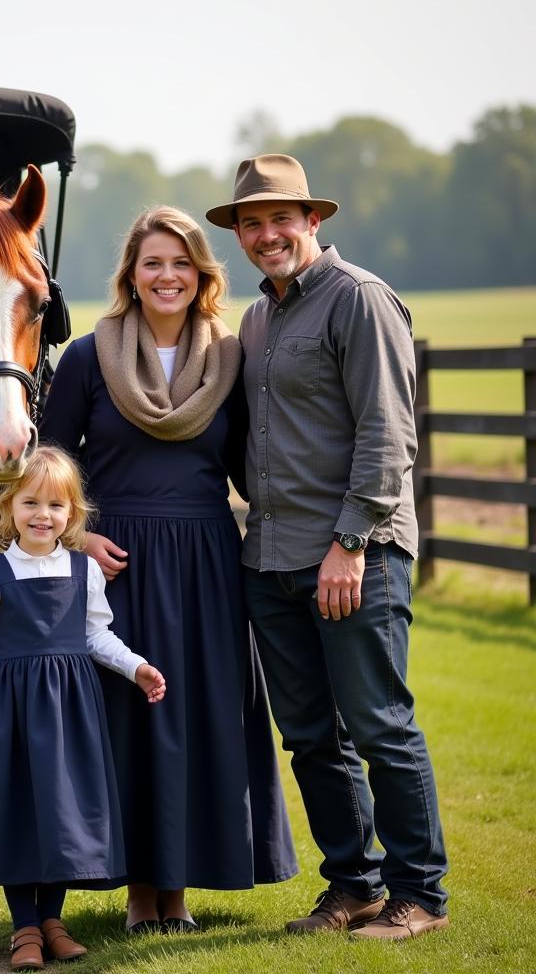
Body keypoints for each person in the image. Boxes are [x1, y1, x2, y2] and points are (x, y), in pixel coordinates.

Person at [206, 153, 450, 940]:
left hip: (355, 555)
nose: (267, 233)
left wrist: (348, 543)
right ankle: (354, 885)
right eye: (252, 222)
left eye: (282, 218)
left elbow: (389, 432)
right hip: (270, 558)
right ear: (240, 235)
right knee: (310, 737)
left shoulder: (360, 300)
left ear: (313, 221)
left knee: (379, 724)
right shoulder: (258, 318)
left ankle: (422, 896)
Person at [40, 206, 298, 935]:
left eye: (181, 263)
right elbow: (51, 466)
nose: (167, 276)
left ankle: (179, 895)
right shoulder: (88, 358)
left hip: (206, 559)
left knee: (196, 716)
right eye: (153, 262)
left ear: (201, 276)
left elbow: (255, 463)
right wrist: (79, 536)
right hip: (115, 564)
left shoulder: (231, 359)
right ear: (131, 274)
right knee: (127, 720)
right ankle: (137, 897)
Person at [0, 445, 166, 972]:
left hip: (70, 715)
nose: (42, 515)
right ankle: (25, 928)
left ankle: (53, 921)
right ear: (9, 508)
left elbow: (98, 636)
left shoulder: (84, 571)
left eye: (56, 506)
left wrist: (137, 667)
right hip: (9, 715)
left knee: (59, 815)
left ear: (71, 515)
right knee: (19, 813)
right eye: (30, 502)